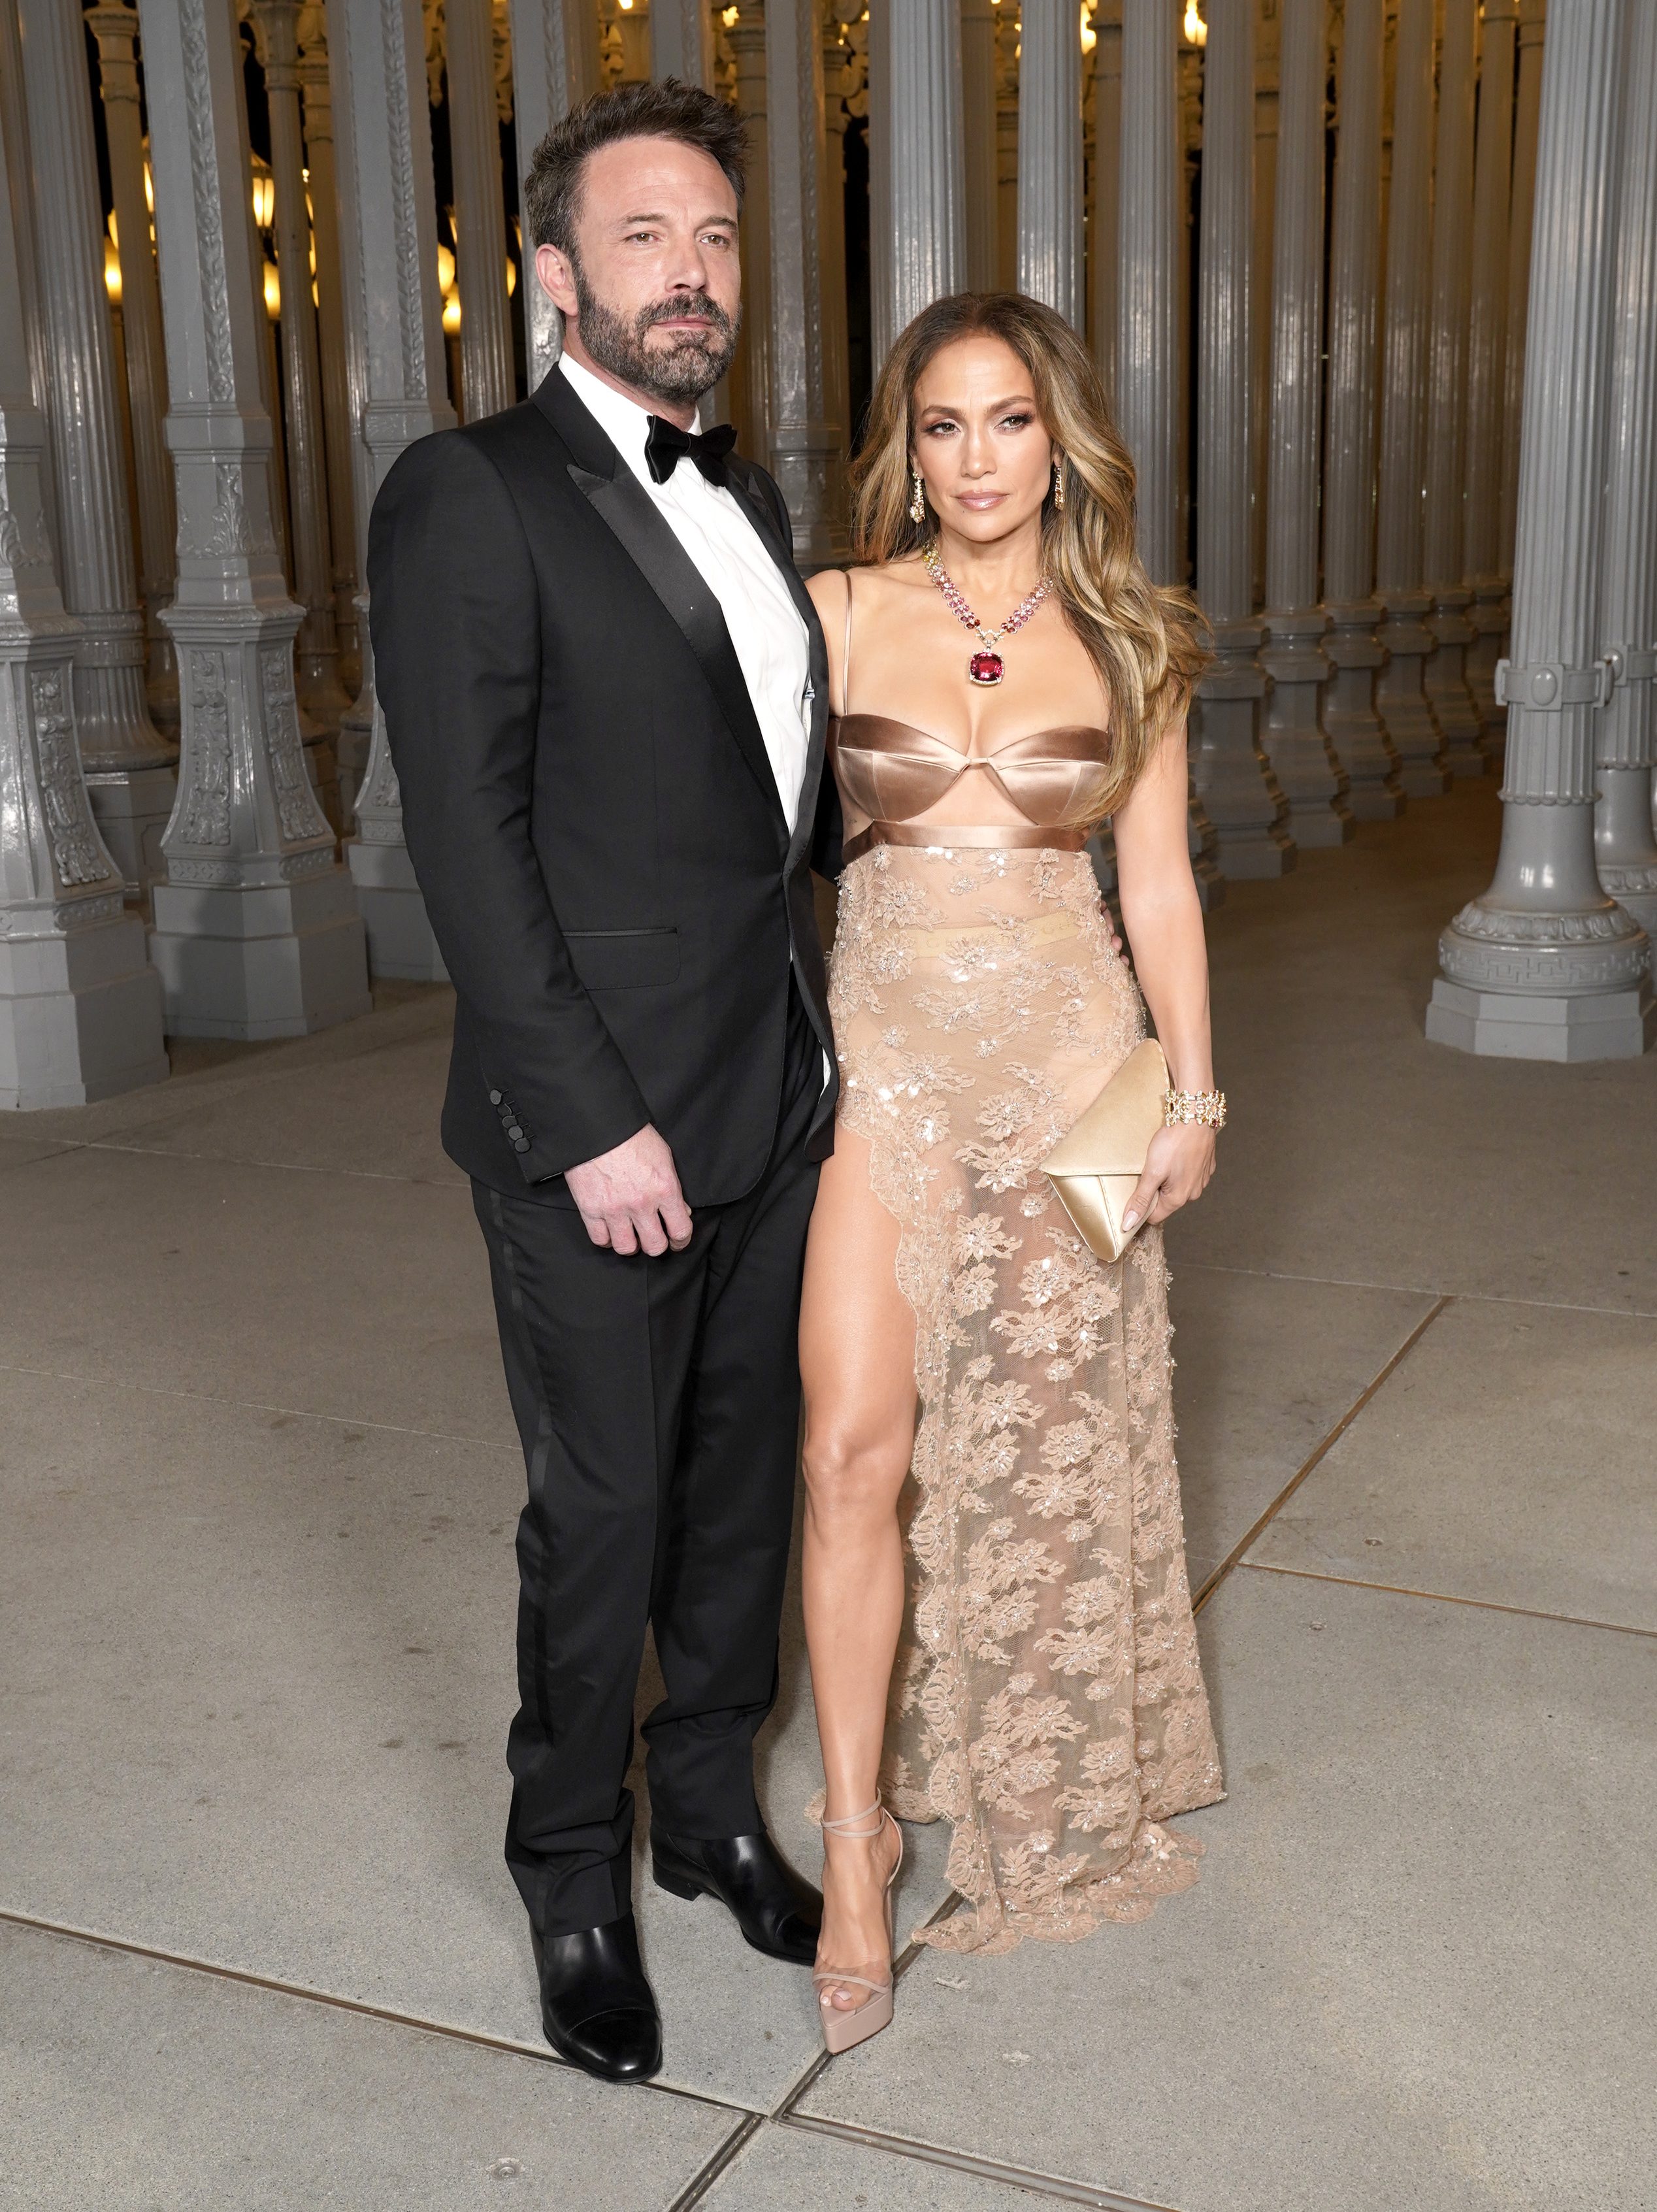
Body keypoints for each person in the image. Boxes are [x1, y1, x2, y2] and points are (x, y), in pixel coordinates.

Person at [367, 82, 840, 2087]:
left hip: (774, 1095)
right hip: (598, 1130)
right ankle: (570, 1863)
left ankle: (713, 1805)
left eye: (719, 240)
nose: (694, 274)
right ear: (556, 273)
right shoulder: (467, 494)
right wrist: (588, 1121)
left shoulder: (753, 500)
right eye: (649, 237)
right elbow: (467, 848)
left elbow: (770, 824)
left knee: (741, 1489)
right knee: (608, 1507)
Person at [798, 292, 1226, 2052]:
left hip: (1076, 1073)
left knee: (1050, 1448)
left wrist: (1194, 1095)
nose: (980, 460)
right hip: (886, 1068)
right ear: (912, 443)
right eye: (948, 424)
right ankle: (852, 1831)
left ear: (1064, 440)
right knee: (849, 1446)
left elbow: (1161, 886)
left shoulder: (1137, 640)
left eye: (1013, 423)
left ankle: (1036, 1771)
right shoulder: (830, 613)